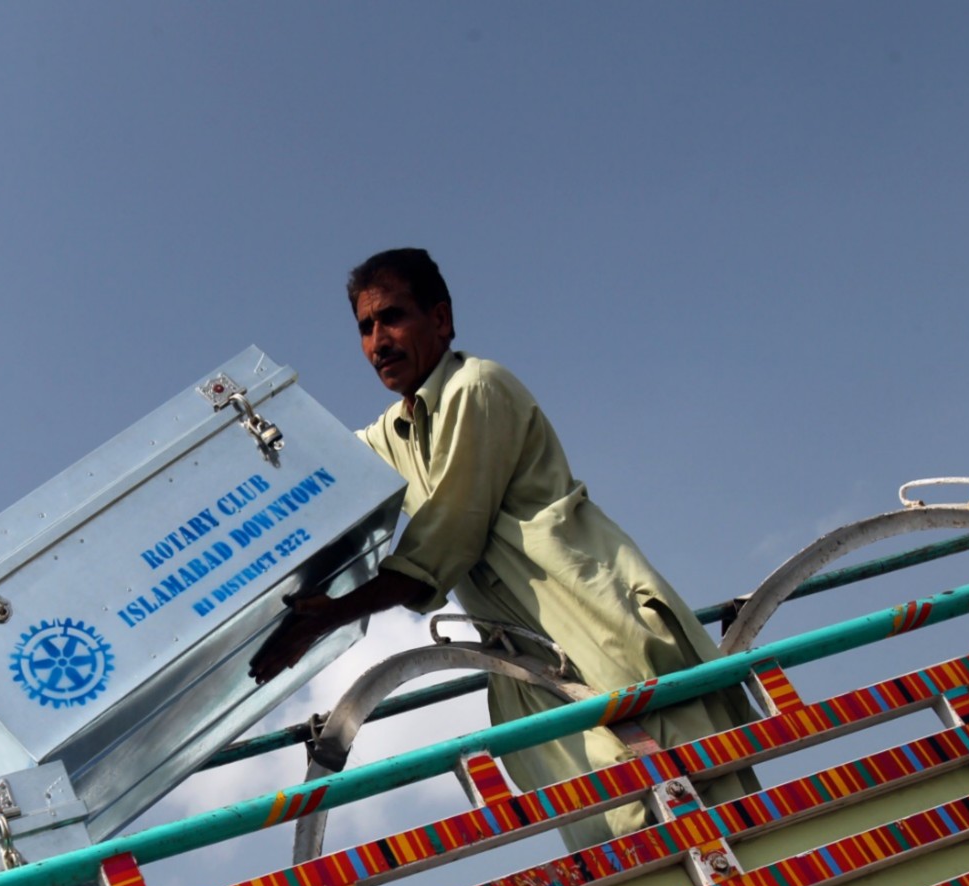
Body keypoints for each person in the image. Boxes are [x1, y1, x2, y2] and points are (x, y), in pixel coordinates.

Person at [249, 248, 756, 848]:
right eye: (365, 328)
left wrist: (331, 614)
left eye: (393, 318)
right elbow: (326, 472)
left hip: (596, 624)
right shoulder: (395, 432)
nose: (378, 341)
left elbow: (448, 538)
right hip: (536, 665)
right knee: (619, 838)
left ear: (441, 320)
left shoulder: (476, 387)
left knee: (707, 813)